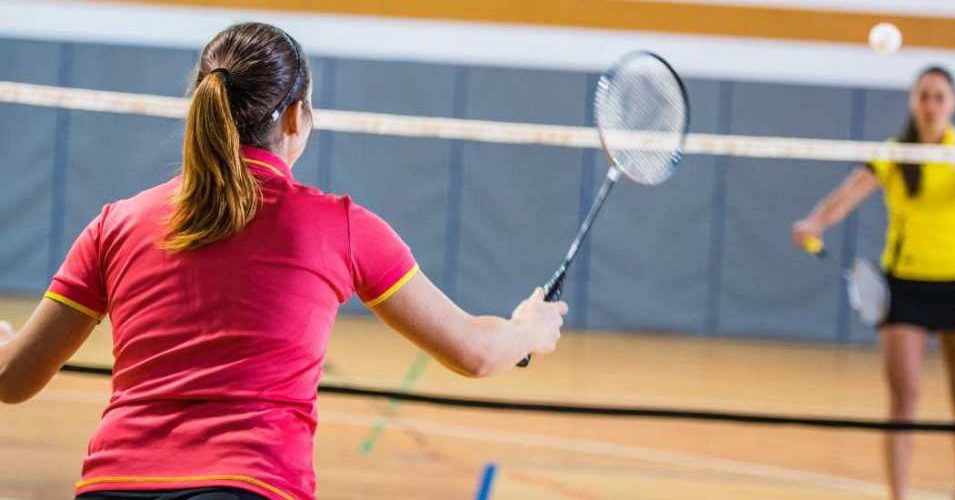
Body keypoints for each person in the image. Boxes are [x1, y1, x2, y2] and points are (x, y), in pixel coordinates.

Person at [0, 22, 567, 500]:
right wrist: (529, 330)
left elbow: (13, 379)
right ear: (296, 117)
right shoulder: (340, 227)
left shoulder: (116, 223)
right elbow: (474, 352)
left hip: (114, 485)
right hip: (251, 485)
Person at [792, 66, 955, 500]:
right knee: (904, 402)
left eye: (940, 96)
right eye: (924, 95)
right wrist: (817, 220)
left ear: (954, 104)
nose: (931, 104)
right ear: (913, 102)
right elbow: (849, 192)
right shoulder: (893, 153)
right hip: (905, 288)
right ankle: (897, 495)